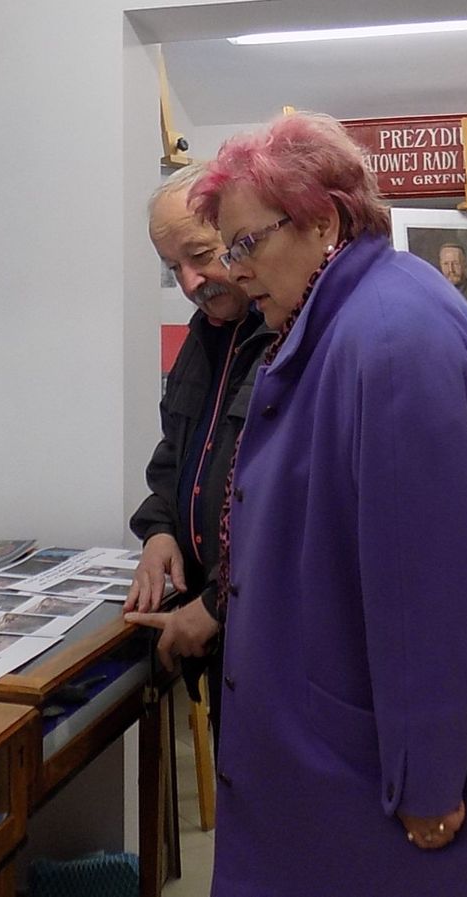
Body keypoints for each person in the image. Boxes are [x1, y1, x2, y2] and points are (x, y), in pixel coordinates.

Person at [189, 111, 467, 897]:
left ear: (323, 221)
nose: (235, 269)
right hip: (341, 741)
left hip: (363, 774)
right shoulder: (363, 310)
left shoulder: (389, 339)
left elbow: (428, 589)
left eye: (247, 243)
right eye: (229, 249)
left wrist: (427, 777)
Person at [123, 164, 273, 731]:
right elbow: (176, 454)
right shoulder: (202, 334)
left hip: (267, 636)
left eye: (201, 255)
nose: (190, 282)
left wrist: (214, 606)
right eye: (173, 267)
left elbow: (290, 509)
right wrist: (160, 531)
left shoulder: (291, 335)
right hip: (218, 642)